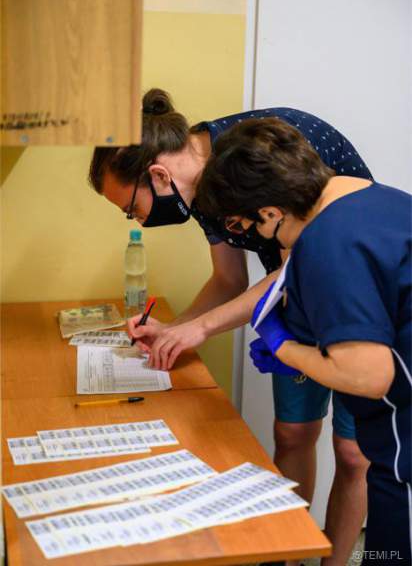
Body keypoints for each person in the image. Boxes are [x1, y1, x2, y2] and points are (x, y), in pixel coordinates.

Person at [89, 89, 373, 566]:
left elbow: (296, 267)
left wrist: (198, 331)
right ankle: (286, 557)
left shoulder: (258, 154)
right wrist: (174, 328)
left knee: (352, 452)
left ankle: (335, 561)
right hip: (296, 300)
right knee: (292, 435)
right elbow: (229, 280)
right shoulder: (196, 187)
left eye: (131, 209)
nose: (135, 219)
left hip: (360, 297)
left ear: (158, 175)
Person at [195, 117, 411, 565]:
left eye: (247, 226)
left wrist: (283, 346)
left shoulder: (326, 240)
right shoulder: (380, 199)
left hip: (403, 446)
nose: (255, 238)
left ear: (270, 213)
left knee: (388, 555)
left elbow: (368, 376)